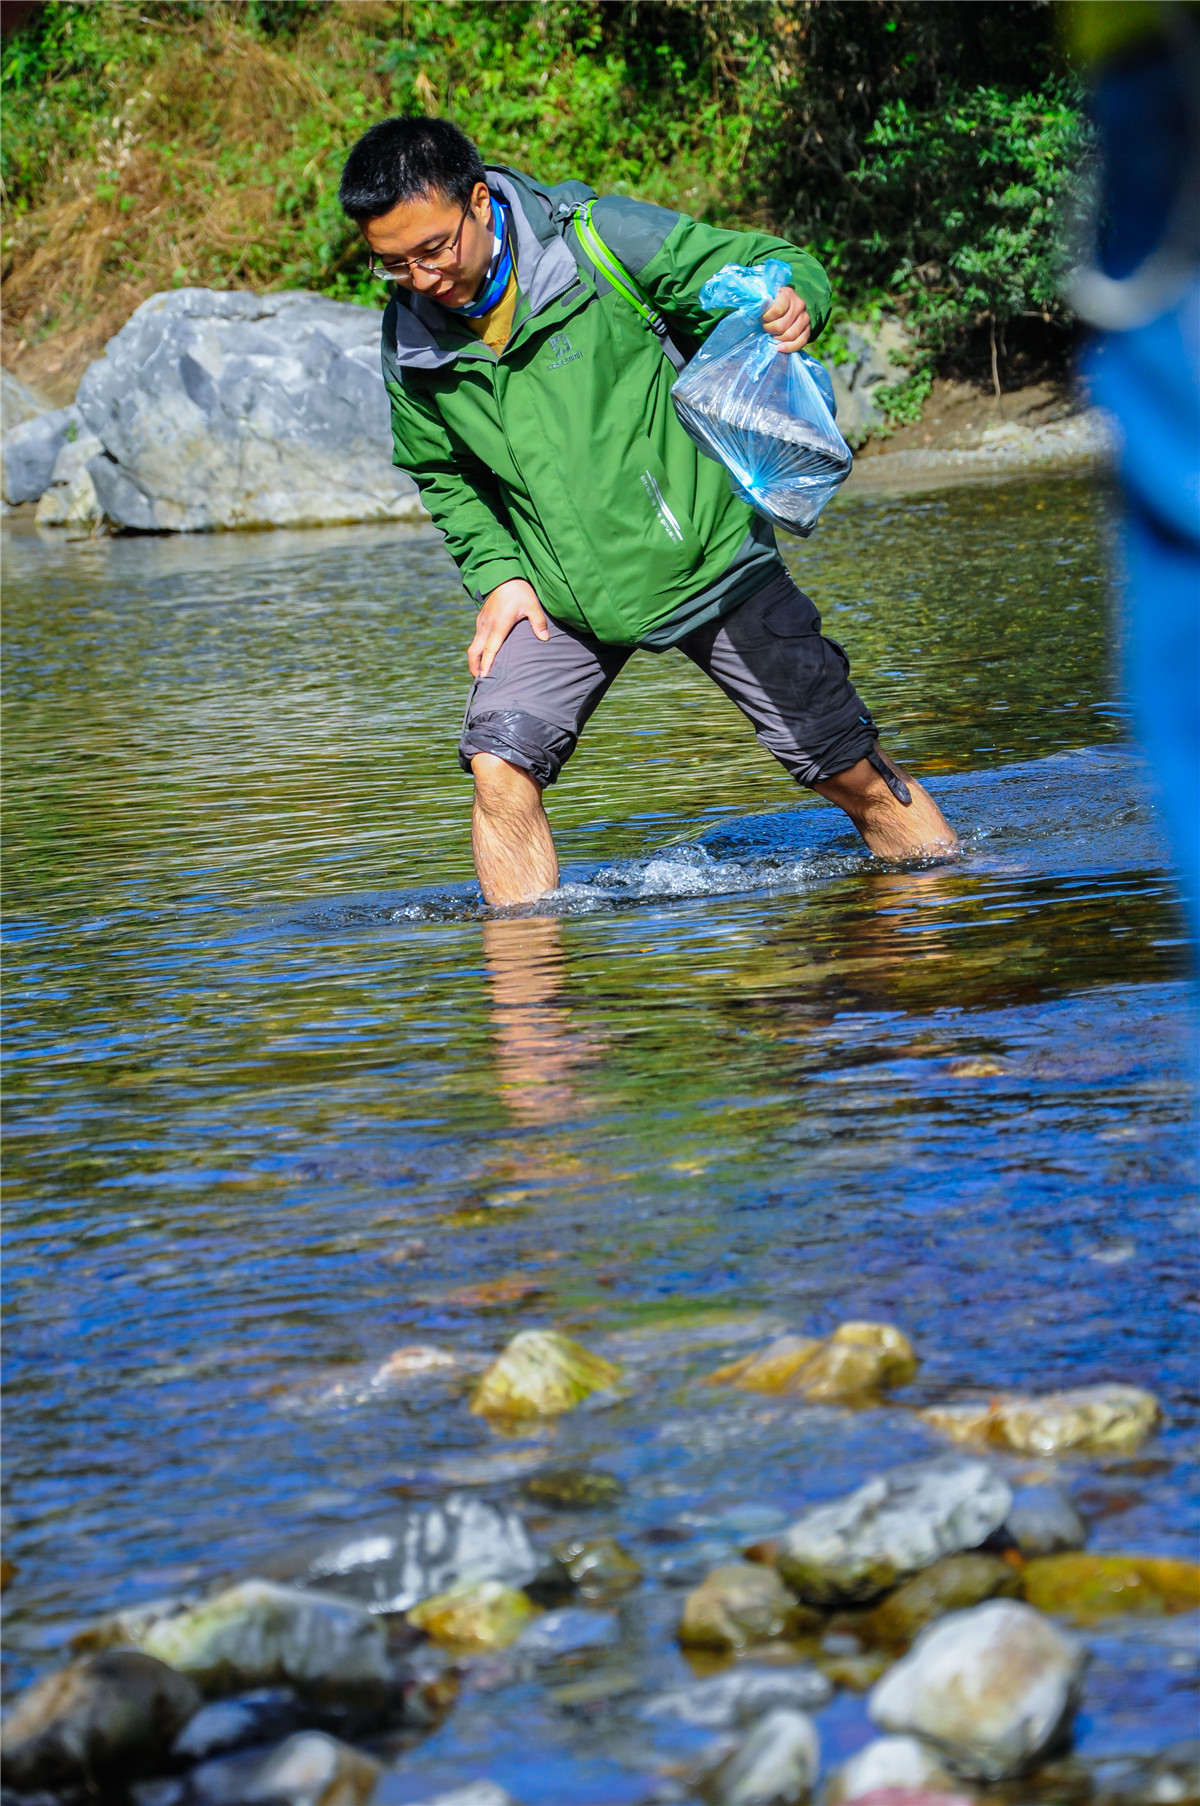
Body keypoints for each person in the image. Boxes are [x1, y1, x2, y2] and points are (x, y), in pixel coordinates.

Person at [338, 116, 957, 906]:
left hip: (712, 558)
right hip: (558, 596)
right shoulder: (409, 339)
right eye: (394, 265)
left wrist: (797, 302)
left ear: (480, 202)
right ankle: (531, 1015)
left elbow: (769, 265)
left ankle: (951, 927)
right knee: (499, 767)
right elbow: (441, 471)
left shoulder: (600, 242)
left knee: (852, 774)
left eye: (434, 250)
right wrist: (498, 576)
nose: (422, 279)